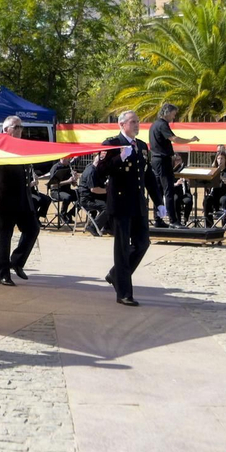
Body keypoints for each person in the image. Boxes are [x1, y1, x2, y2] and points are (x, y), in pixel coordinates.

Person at [94, 110, 151, 306]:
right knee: (122, 248)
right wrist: (119, 158)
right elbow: (100, 172)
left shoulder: (142, 146)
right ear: (122, 124)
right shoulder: (111, 144)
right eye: (133, 122)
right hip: (120, 204)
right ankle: (124, 293)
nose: (137, 124)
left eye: (138, 121)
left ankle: (115, 274)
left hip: (138, 204)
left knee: (143, 243)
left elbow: (147, 175)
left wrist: (160, 201)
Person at [0, 115, 41, 285]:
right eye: (16, 127)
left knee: (33, 229)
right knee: (5, 238)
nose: (20, 130)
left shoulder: (23, 147)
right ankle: (3, 274)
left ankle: (17, 261)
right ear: (6, 130)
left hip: (23, 200)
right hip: (4, 201)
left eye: (21, 127)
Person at [146, 103, 178, 228]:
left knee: (158, 191)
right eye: (173, 114)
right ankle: (173, 220)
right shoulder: (162, 124)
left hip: (155, 159)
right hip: (162, 160)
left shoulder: (154, 125)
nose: (173, 117)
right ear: (167, 112)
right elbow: (174, 139)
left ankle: (158, 219)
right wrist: (190, 140)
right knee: (168, 190)